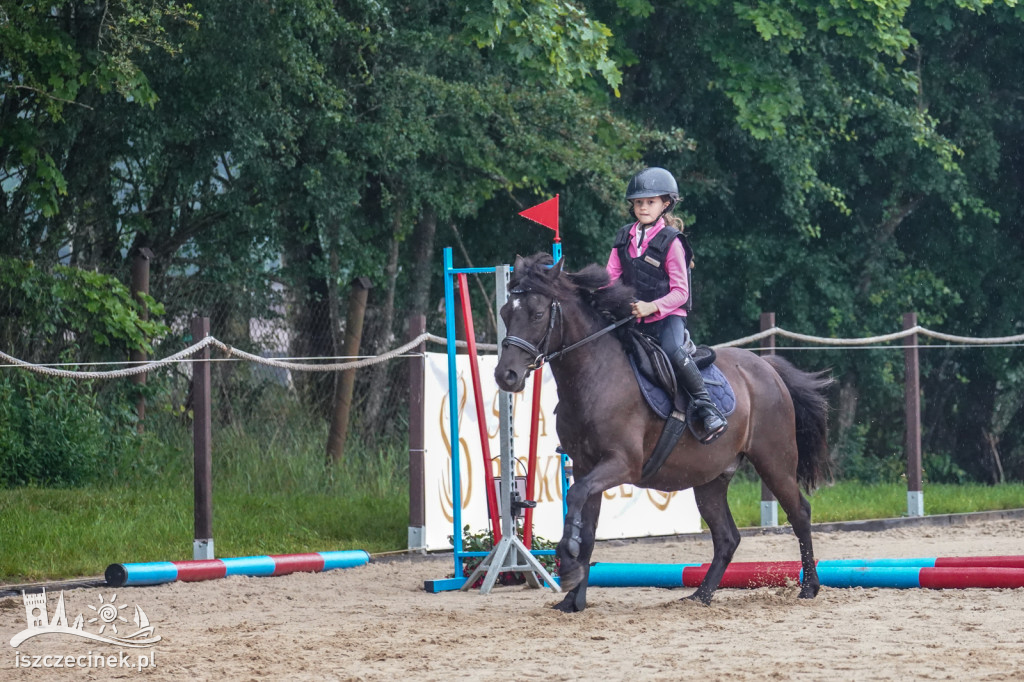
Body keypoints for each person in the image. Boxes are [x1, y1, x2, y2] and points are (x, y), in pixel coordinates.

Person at [605, 167, 727, 443]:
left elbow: (681, 292)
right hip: (633, 318)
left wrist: (652, 307)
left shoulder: (672, 242)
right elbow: (610, 278)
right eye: (639, 202)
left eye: (650, 202)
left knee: (673, 350)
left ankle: (707, 408)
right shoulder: (624, 237)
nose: (643, 207)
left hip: (668, 318)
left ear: (665, 204)